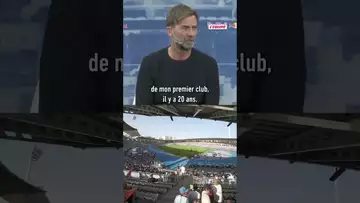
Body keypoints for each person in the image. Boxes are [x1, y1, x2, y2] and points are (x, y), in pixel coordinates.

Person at [136, 4, 220, 105]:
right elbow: (143, 112)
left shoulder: (208, 65)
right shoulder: (150, 64)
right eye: (185, 28)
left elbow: (211, 112)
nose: (191, 34)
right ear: (170, 31)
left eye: (194, 28)